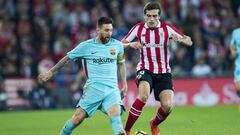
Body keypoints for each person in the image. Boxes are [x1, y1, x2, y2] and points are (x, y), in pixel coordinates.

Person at [38, 17, 128, 135]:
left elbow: (121, 64)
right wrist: (50, 72)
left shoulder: (117, 45)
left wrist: (125, 85)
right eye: (106, 30)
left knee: (115, 115)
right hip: (94, 89)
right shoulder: (86, 46)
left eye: (111, 30)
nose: (109, 33)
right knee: (77, 119)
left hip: (112, 89)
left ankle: (120, 132)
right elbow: (67, 59)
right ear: (98, 30)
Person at [121, 2, 192, 135]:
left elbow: (189, 40)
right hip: (145, 68)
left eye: (154, 16)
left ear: (159, 16)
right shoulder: (138, 29)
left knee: (168, 106)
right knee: (143, 96)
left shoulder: (167, 28)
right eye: (149, 16)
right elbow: (121, 44)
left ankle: (154, 124)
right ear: (144, 16)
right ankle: (126, 130)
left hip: (164, 72)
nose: (151, 19)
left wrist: (182, 40)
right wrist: (131, 44)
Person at [230, 27, 240, 110]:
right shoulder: (236, 32)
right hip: (239, 63)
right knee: (238, 87)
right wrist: (233, 51)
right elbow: (232, 44)